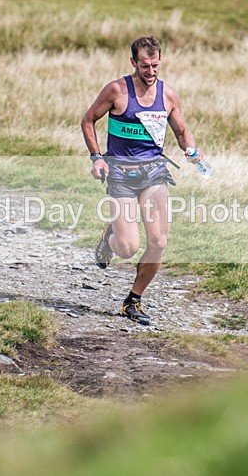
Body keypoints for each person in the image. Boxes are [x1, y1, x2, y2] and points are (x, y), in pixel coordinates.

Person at [80, 35, 204, 325]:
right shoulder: (117, 90)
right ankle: (110, 237)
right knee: (128, 248)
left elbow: (181, 131)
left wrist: (191, 150)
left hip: (154, 173)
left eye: (156, 65)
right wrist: (97, 157)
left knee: (158, 241)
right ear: (133, 62)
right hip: (121, 174)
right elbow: (88, 120)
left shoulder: (168, 95)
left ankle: (132, 301)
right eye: (145, 66)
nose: (151, 71)